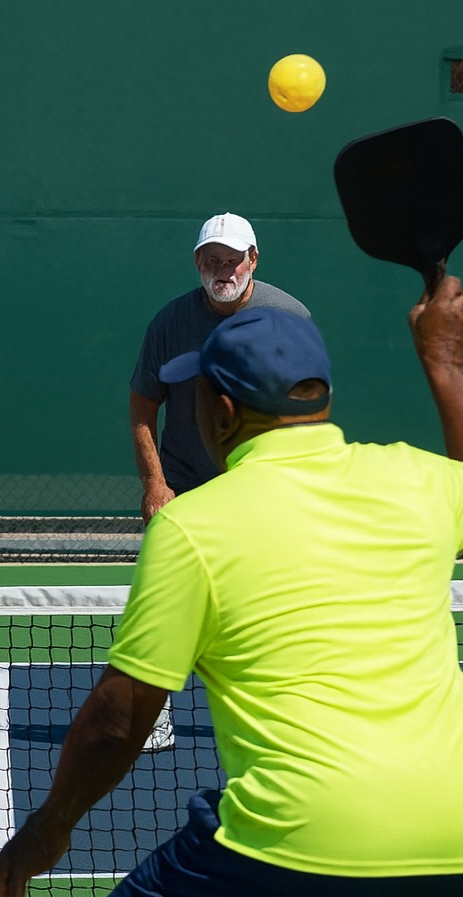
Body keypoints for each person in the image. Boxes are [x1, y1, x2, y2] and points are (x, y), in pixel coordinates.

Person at [0, 279, 463, 897]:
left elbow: (118, 717)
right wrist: (448, 366)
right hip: (455, 819)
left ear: (222, 411)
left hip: (299, 827)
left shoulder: (192, 528)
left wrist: (50, 827)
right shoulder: (417, 481)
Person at [127, 212, 311, 753]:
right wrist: (155, 483)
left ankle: (279, 706)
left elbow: (308, 407)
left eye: (232, 259)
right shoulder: (170, 322)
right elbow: (143, 404)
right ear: (197, 263)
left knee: (271, 601)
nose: (222, 269)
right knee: (166, 600)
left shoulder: (289, 317)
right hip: (186, 487)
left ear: (253, 259)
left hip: (262, 487)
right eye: (212, 260)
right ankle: (155, 709)